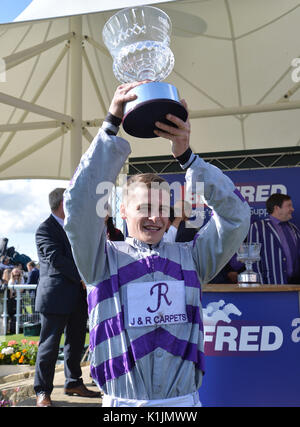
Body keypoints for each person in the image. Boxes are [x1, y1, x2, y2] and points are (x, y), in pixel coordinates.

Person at [64, 81, 250, 407]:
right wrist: (110, 127)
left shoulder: (193, 258)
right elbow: (79, 204)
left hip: (181, 403)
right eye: (144, 208)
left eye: (163, 209)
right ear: (121, 211)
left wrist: (189, 159)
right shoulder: (100, 261)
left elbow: (237, 217)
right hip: (122, 404)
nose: (155, 218)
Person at [34, 188, 100, 407]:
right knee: (49, 346)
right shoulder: (45, 229)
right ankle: (42, 391)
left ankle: (73, 382)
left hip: (77, 298)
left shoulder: (75, 228)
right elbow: (56, 259)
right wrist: (82, 277)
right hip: (55, 297)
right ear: (63, 203)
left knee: (76, 342)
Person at [248, 193, 300, 284]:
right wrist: (258, 286)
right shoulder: (259, 227)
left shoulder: (294, 228)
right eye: (289, 206)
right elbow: (253, 260)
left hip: (295, 287)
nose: (292, 209)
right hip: (272, 285)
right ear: (277, 208)